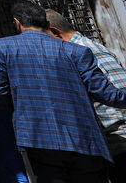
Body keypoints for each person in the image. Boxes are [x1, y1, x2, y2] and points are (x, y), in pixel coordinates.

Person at [0, 1, 126, 182]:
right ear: (46, 24)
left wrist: (19, 111)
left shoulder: (2, 47)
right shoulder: (77, 52)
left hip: (37, 137)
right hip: (85, 139)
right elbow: (106, 94)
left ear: (18, 22)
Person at [48, 9, 126, 182]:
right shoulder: (79, 52)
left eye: (43, 38)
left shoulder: (85, 51)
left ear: (54, 32)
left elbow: (120, 92)